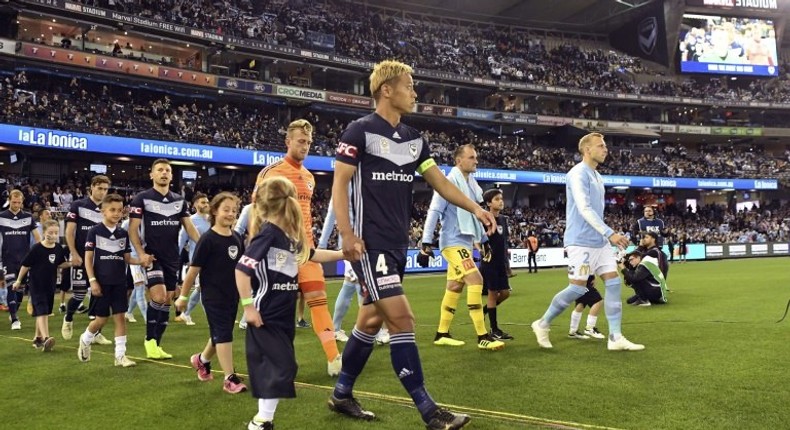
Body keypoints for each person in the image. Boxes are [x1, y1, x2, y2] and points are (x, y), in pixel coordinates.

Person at [328, 60, 495, 429]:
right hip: (368, 244)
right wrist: (347, 233)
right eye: (409, 85)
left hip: (395, 244)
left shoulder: (415, 139)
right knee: (402, 319)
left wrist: (476, 208)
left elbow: (441, 183)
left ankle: (341, 393)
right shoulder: (358, 131)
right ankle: (429, 410)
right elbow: (339, 184)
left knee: (371, 320)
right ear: (386, 89)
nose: (415, 92)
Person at [238, 177, 344, 430]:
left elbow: (313, 255)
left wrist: (343, 254)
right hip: (266, 316)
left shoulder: (288, 238)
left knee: (282, 368)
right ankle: (260, 421)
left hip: (283, 316)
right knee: (283, 367)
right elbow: (241, 270)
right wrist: (248, 307)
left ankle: (263, 421)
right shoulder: (267, 235)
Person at [530, 132, 644, 352]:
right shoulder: (577, 174)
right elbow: (584, 209)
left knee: (613, 282)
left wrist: (606, 235)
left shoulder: (597, 176)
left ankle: (615, 336)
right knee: (577, 289)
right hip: (580, 242)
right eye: (600, 146)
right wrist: (610, 232)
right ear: (587, 149)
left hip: (600, 242)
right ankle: (542, 324)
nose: (605, 149)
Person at [251, 119, 340, 376]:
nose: (306, 146)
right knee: (277, 308)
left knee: (318, 299)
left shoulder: (309, 177)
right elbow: (257, 212)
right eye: (301, 141)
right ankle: (272, 360)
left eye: (309, 142)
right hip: (277, 252)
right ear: (288, 141)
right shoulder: (271, 172)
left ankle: (335, 359)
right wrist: (258, 249)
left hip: (306, 249)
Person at [419, 144, 504, 351]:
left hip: (464, 242)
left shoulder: (472, 187)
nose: (476, 161)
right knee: (476, 280)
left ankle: (442, 333)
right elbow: (433, 212)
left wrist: (483, 241)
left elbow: (475, 217)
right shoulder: (448, 183)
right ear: (459, 161)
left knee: (455, 287)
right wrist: (425, 243)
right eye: (472, 157)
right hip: (452, 244)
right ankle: (482, 336)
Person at [129, 158, 200, 359]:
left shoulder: (179, 201)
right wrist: (141, 254)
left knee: (168, 300)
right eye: (160, 170)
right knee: (158, 296)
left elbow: (190, 228)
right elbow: (133, 230)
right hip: (152, 255)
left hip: (172, 257)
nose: (164, 173)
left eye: (167, 170)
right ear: (151, 174)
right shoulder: (141, 198)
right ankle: (149, 341)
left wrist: (205, 245)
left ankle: (157, 344)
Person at [176, 192, 247, 393]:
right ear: (214, 211)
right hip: (213, 296)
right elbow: (193, 270)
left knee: (220, 333)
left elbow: (241, 267)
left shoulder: (237, 238)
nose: (231, 214)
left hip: (232, 295)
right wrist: (183, 296)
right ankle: (229, 378)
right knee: (224, 334)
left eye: (234, 210)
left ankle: (202, 359)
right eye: (226, 209)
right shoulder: (207, 240)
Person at [77, 194, 143, 367]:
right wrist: (92, 280)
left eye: (120, 210)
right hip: (101, 283)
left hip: (119, 282)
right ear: (103, 211)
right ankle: (85, 339)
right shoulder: (94, 231)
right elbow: (88, 259)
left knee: (120, 317)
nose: (116, 213)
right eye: (112, 210)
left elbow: (128, 258)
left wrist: (143, 259)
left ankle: (120, 356)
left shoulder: (123, 233)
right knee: (101, 319)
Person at [317, 200, 389, 345]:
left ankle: (336, 329)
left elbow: (331, 217)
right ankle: (369, 331)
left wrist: (322, 244)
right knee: (364, 287)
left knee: (350, 285)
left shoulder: (341, 187)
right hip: (360, 245)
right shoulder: (360, 186)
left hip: (348, 244)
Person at [63, 175, 112, 345]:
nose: (103, 192)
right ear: (92, 187)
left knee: (99, 295)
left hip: (102, 259)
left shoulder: (108, 208)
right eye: (100, 188)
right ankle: (68, 318)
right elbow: (69, 232)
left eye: (106, 189)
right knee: (79, 294)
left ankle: (96, 332)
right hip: (82, 257)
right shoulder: (78, 205)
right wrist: (74, 253)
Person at [14, 220, 70, 351]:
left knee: (43, 312)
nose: (53, 235)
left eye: (56, 232)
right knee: (42, 312)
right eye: (50, 232)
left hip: (50, 286)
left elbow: (60, 263)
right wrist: (18, 280)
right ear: (44, 232)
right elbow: (25, 265)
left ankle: (37, 338)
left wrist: (72, 263)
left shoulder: (58, 248)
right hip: (36, 285)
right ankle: (46, 338)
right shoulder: (37, 248)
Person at [1, 189, 42, 330]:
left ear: (22, 201)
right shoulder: (2, 216)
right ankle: (14, 319)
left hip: (24, 259)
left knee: (20, 290)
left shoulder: (28, 217)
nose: (16, 205)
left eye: (19, 202)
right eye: (14, 202)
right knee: (11, 286)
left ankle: (14, 311)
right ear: (9, 200)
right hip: (7, 258)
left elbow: (37, 237)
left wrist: (39, 252)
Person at [480, 188, 513, 341]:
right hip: (490, 262)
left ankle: (484, 311)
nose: (501, 201)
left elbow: (504, 242)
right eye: (496, 199)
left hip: (501, 263)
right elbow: (478, 239)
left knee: (505, 293)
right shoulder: (484, 220)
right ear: (488, 203)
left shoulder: (504, 220)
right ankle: (494, 329)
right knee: (493, 294)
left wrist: (507, 262)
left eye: (501, 198)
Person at [175, 193, 211, 326]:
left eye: (207, 202)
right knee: (202, 288)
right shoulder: (189, 221)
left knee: (201, 288)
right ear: (195, 205)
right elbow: (181, 241)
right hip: (197, 261)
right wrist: (175, 259)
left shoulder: (212, 220)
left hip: (212, 260)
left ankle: (187, 314)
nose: (206, 204)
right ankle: (211, 318)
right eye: (203, 202)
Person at [123, 217, 148, 323]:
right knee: (140, 288)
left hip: (145, 258)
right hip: (134, 260)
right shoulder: (127, 224)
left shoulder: (147, 221)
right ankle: (148, 318)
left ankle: (128, 312)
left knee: (138, 288)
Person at [568, 275, 606, 340]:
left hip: (578, 282)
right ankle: (589, 328)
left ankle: (573, 331)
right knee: (598, 301)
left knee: (581, 303)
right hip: (583, 282)